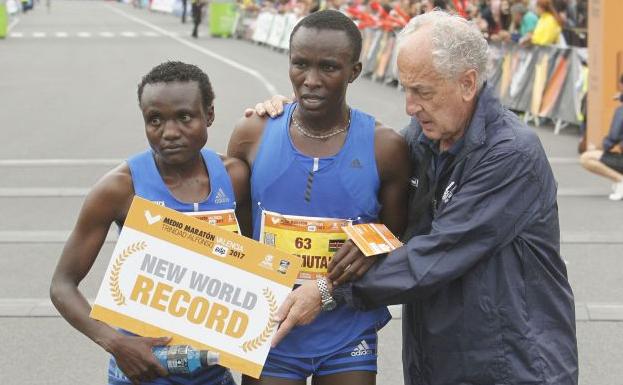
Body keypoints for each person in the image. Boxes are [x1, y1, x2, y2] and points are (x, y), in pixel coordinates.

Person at [256, 10, 578, 385]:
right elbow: (381, 215)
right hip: (438, 360)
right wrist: (294, 117)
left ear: (468, 83)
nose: (410, 106)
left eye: (422, 91)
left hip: (513, 365)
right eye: (405, 88)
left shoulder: (511, 154)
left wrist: (329, 290)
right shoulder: (422, 138)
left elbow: (437, 252)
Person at [228, 9, 410, 385]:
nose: (310, 80)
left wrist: (362, 251)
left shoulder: (384, 146)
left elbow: (398, 233)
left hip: (347, 331)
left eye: (328, 67)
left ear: (354, 72)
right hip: (271, 329)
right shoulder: (253, 131)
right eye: (300, 64)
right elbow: (235, 230)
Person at [49, 61, 250, 385]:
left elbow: (254, 264)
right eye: (155, 120)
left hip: (212, 373)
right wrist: (115, 343)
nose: (169, 132)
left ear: (208, 115)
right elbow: (62, 284)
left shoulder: (235, 177)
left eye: (184, 117)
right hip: (142, 372)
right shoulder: (119, 188)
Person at [580, 74, 623, 201]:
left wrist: (600, 147)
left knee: (586, 158)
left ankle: (620, 180)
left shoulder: (621, 111)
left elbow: (612, 139)